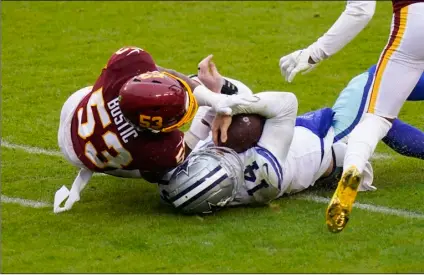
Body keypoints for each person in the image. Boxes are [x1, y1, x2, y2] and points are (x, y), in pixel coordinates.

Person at [159, 59, 424, 214]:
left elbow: (179, 162)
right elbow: (285, 102)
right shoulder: (266, 169)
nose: (216, 152)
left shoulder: (193, 187)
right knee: (381, 78)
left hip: (302, 145)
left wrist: (213, 92)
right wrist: (221, 103)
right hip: (331, 142)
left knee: (377, 113)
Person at [278, 1, 424, 233]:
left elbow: (360, 10)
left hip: (414, 22)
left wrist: (313, 53)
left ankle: (353, 169)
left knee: (377, 117)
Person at [54, 47, 254, 213]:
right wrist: (208, 114)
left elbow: (157, 75)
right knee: (173, 172)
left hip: (76, 111)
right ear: (152, 128)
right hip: (88, 154)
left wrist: (213, 99)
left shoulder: (127, 64)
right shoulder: (157, 148)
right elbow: (156, 174)